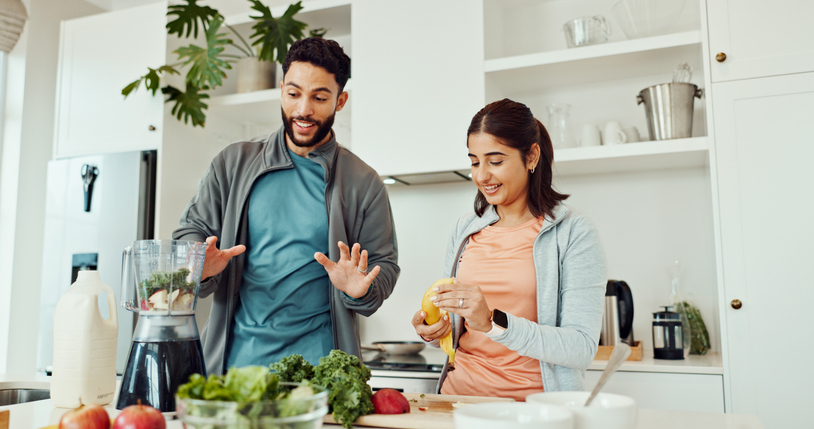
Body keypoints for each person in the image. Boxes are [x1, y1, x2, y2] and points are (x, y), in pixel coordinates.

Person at [173, 37, 400, 376]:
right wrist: (198, 263)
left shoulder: (363, 182)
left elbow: (385, 264)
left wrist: (362, 290)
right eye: (294, 94)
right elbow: (191, 232)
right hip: (235, 367)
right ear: (281, 90)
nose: (303, 110)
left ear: (340, 101)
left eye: (319, 97)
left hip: (321, 371)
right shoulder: (233, 163)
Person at [411, 99, 606, 401]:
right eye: (475, 162)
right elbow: (461, 335)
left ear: (531, 156)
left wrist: (492, 321)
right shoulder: (465, 230)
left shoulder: (574, 232)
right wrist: (434, 331)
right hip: (457, 401)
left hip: (535, 408)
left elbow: (581, 348)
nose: (481, 176)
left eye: (495, 161)